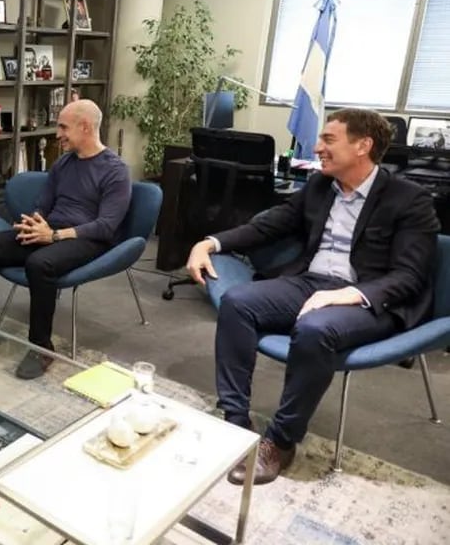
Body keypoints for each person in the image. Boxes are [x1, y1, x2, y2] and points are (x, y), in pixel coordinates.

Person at [185, 108, 439, 486]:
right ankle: (236, 420)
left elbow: (409, 276)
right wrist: (211, 242)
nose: (317, 146)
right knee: (238, 302)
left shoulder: (410, 200)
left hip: (369, 299)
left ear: (363, 145)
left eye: (329, 139)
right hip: (310, 282)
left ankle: (282, 441)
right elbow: (270, 224)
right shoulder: (321, 187)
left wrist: (346, 296)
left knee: (315, 328)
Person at [0, 100, 132, 379]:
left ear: (86, 127)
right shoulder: (64, 162)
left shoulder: (115, 171)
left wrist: (53, 236)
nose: (58, 134)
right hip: (51, 229)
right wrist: (35, 222)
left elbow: (106, 226)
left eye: (63, 127)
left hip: (87, 238)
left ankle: (42, 348)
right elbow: (44, 204)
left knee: (39, 263)